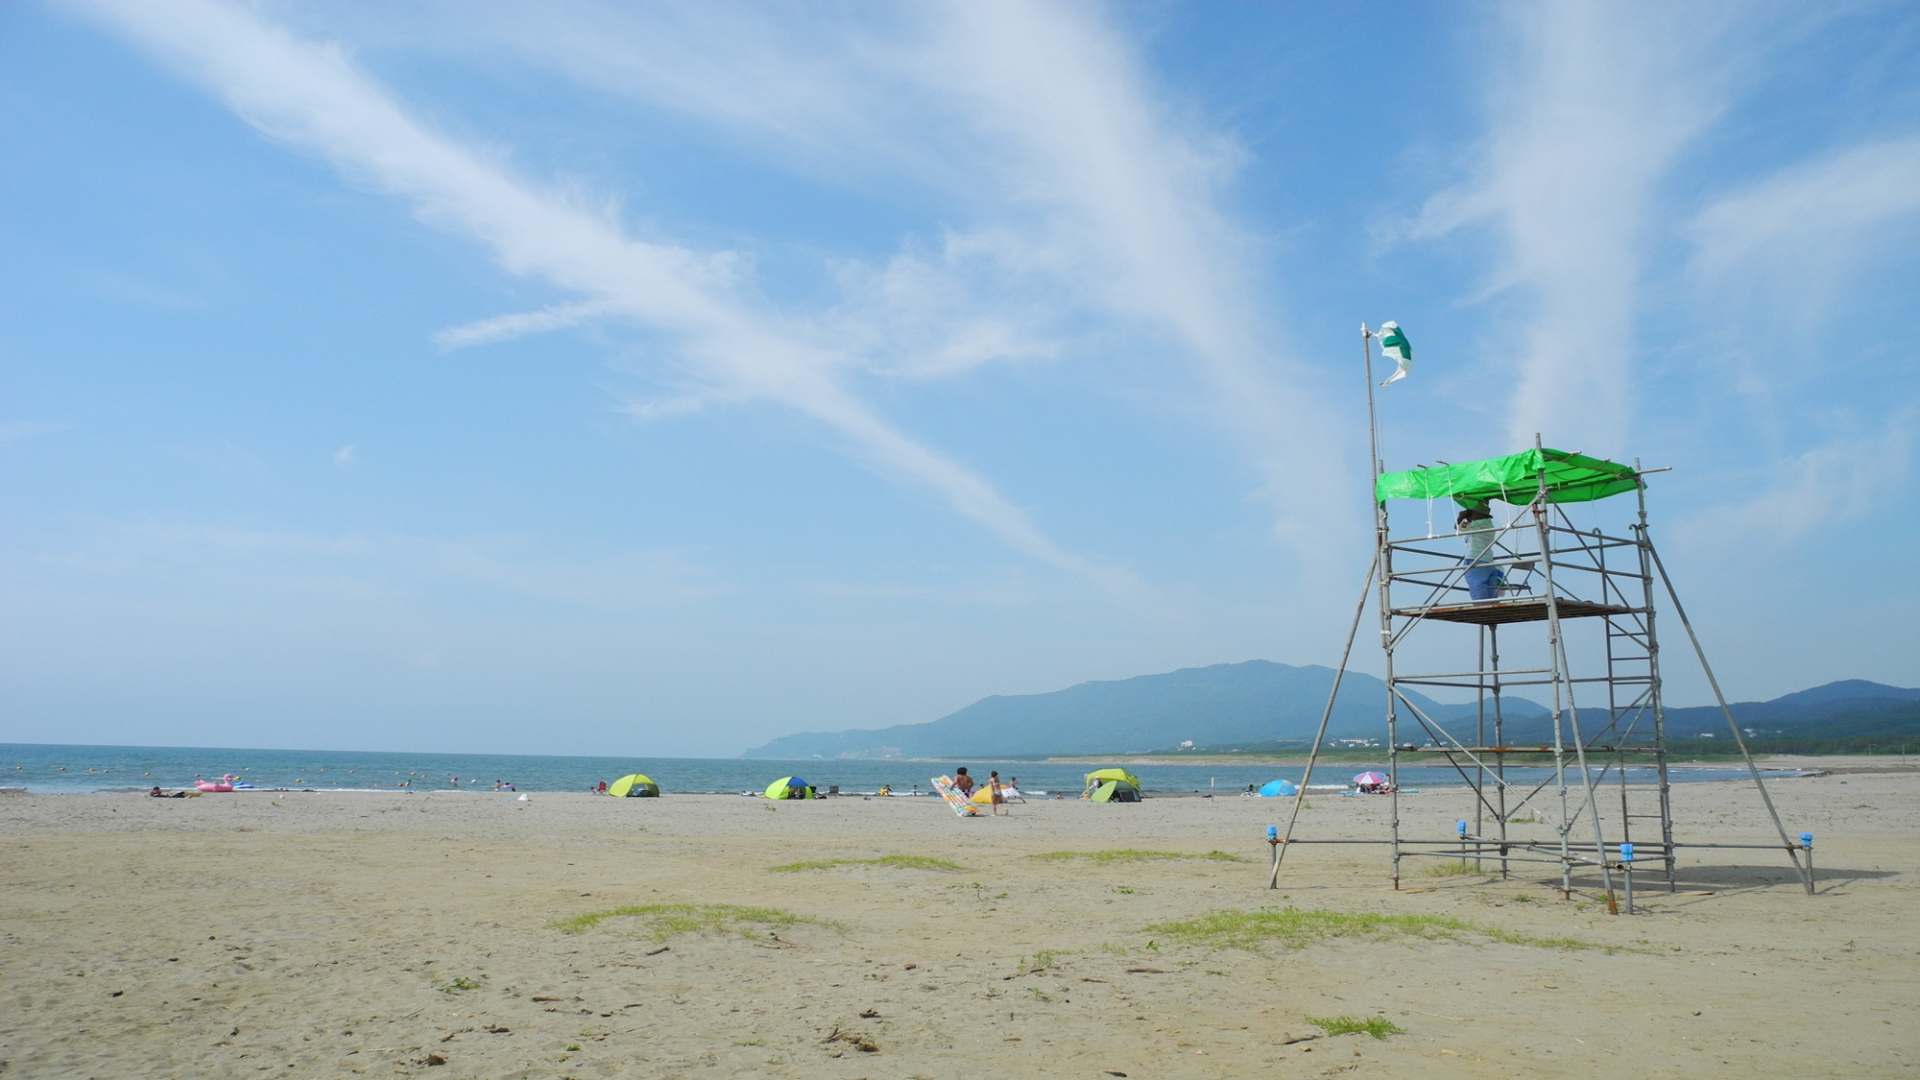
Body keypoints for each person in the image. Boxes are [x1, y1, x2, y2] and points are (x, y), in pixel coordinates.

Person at [1458, 503, 1505, 601]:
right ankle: (1494, 607)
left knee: (1477, 588)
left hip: (1475, 559)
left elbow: (1458, 527)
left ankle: (1481, 607)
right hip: (1488, 561)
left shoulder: (1478, 524)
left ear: (1479, 514)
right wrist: (1469, 518)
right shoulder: (1488, 524)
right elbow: (1468, 530)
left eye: (1473, 513)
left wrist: (1461, 516)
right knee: (1490, 592)